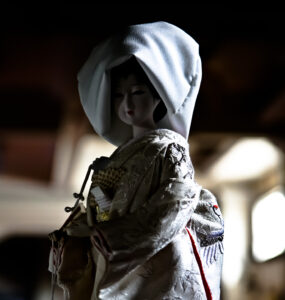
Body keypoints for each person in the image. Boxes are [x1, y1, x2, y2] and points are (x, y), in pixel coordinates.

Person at [49, 21, 224, 300]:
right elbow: (104, 206)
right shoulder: (119, 156)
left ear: (158, 96)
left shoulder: (169, 147)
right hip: (110, 252)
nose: (127, 104)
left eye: (138, 93)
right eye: (119, 95)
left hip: (147, 257)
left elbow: (176, 202)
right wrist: (80, 228)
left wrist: (114, 238)